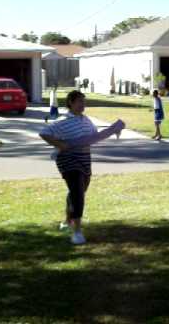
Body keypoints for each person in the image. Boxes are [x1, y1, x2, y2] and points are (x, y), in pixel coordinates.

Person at [39, 90, 124, 245]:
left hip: (84, 159)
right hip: (68, 159)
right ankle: (77, 231)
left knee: (78, 191)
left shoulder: (86, 120)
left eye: (84, 102)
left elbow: (94, 136)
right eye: (80, 101)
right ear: (71, 103)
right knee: (78, 191)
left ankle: (67, 221)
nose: (83, 104)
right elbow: (44, 132)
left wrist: (114, 130)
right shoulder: (63, 121)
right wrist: (60, 144)